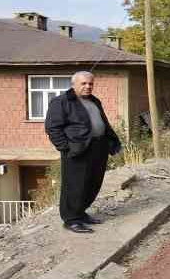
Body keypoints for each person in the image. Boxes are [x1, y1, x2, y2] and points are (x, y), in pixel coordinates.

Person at [44, 71, 121, 233]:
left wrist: (112, 141)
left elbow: (104, 123)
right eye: (84, 83)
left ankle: (81, 213)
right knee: (75, 185)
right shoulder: (62, 102)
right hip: (77, 150)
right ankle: (71, 219)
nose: (88, 86)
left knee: (93, 183)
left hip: (98, 147)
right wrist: (66, 147)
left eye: (91, 84)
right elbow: (53, 128)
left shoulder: (94, 101)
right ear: (73, 84)